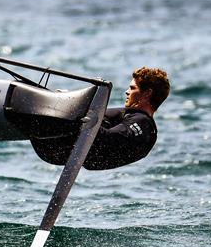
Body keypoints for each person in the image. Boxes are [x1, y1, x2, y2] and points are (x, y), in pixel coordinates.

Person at [31, 67, 170, 170]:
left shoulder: (143, 123)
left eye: (132, 88)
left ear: (147, 94)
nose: (127, 91)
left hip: (57, 147)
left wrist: (78, 114)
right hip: (58, 150)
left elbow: (108, 139)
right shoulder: (132, 118)